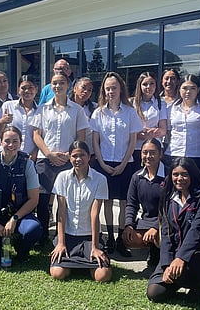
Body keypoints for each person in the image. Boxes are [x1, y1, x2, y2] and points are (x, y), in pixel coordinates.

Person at [147, 157, 200, 302]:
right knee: (154, 293)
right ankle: (179, 278)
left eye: (184, 174)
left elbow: (197, 231)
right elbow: (166, 233)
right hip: (175, 255)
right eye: (175, 174)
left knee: (179, 273)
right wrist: (167, 264)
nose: (179, 178)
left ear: (192, 174)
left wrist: (181, 258)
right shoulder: (169, 198)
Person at [0, 126, 43, 268]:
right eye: (7, 141)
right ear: (0, 142)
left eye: (15, 141)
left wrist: (14, 219)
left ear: (20, 143)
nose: (11, 145)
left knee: (33, 229)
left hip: (19, 216)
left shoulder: (27, 164)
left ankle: (21, 249)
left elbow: (34, 199)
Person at [32, 72, 89, 244]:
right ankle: (42, 235)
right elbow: (36, 135)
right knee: (42, 200)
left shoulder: (77, 110)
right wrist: (49, 154)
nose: (58, 86)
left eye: (61, 83)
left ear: (68, 85)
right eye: (54, 83)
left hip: (67, 161)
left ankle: (62, 235)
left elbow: (81, 136)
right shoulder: (42, 109)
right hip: (45, 159)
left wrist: (69, 155)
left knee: (65, 200)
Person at [90, 71, 142, 257]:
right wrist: (102, 164)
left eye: (114, 88)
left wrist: (123, 164)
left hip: (125, 163)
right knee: (107, 201)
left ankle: (121, 239)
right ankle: (110, 238)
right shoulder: (98, 113)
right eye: (107, 88)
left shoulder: (130, 112)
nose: (111, 91)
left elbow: (133, 141)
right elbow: (95, 141)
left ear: (121, 89)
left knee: (124, 202)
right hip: (104, 162)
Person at [50, 141, 111, 282]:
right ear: (70, 158)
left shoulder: (100, 179)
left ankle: (84, 261)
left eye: (82, 155)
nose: (78, 159)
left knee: (102, 276)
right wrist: (61, 243)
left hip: (89, 236)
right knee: (57, 274)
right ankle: (75, 263)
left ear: (89, 156)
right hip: (68, 235)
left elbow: (95, 215)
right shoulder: (62, 177)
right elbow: (61, 213)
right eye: (74, 156)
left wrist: (95, 247)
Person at [163, 74, 200, 186]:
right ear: (179, 89)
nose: (188, 92)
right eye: (185, 88)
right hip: (174, 155)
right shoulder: (171, 108)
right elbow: (169, 133)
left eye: (192, 88)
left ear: (198, 90)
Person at [122, 139, 166, 267]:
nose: (148, 156)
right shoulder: (137, 177)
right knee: (129, 239)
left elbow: (170, 208)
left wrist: (156, 227)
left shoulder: (169, 176)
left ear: (160, 154)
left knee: (159, 237)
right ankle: (153, 249)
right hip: (147, 220)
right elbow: (131, 204)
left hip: (166, 221)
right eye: (145, 152)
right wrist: (129, 225)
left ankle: (162, 256)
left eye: (152, 153)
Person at [0, 75, 39, 160]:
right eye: (23, 88)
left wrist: (34, 154)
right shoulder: (8, 105)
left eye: (30, 88)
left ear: (36, 89)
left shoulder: (40, 111)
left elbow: (42, 136)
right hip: (7, 155)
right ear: (18, 90)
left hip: (29, 157)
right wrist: (2, 121)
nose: (27, 91)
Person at [132, 71, 167, 172]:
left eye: (152, 84)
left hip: (155, 148)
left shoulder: (161, 103)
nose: (148, 87)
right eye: (145, 84)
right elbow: (128, 129)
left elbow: (163, 130)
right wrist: (140, 134)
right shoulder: (132, 103)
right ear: (140, 86)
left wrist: (150, 134)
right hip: (137, 148)